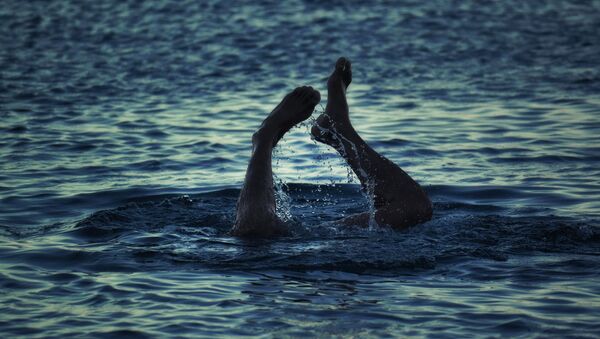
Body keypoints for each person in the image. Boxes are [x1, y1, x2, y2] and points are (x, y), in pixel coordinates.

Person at [230, 57, 432, 237]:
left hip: (303, 244)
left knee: (416, 208)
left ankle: (339, 130)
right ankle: (264, 137)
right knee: (256, 229)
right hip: (284, 255)